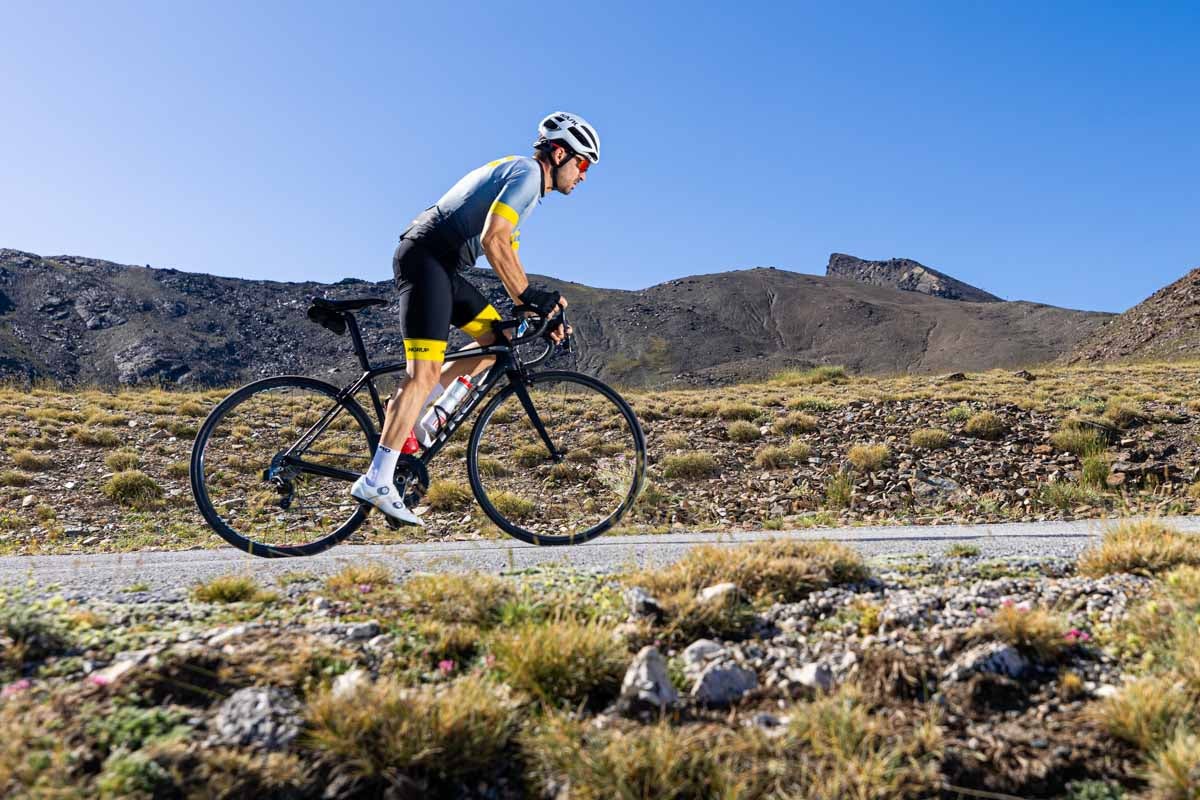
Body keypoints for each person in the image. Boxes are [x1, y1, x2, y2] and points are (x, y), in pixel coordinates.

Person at [350, 112, 600, 525]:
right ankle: (378, 478)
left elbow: (509, 256)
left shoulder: (523, 184)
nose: (583, 176)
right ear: (558, 153)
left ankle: (415, 426)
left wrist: (537, 310)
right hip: (426, 260)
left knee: (496, 342)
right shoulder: (526, 174)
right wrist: (528, 296)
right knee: (423, 374)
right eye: (583, 164)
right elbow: (493, 240)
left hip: (442, 269)